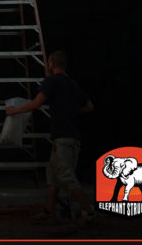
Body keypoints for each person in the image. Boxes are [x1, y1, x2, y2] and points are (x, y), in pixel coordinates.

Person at [6, 49, 95, 224]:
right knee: (52, 174)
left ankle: (89, 211)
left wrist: (14, 111)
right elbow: (90, 106)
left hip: (62, 136)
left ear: (51, 64)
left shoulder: (52, 81)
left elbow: (36, 104)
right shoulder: (72, 84)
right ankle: (50, 210)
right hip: (71, 136)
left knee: (65, 175)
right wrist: (70, 112)